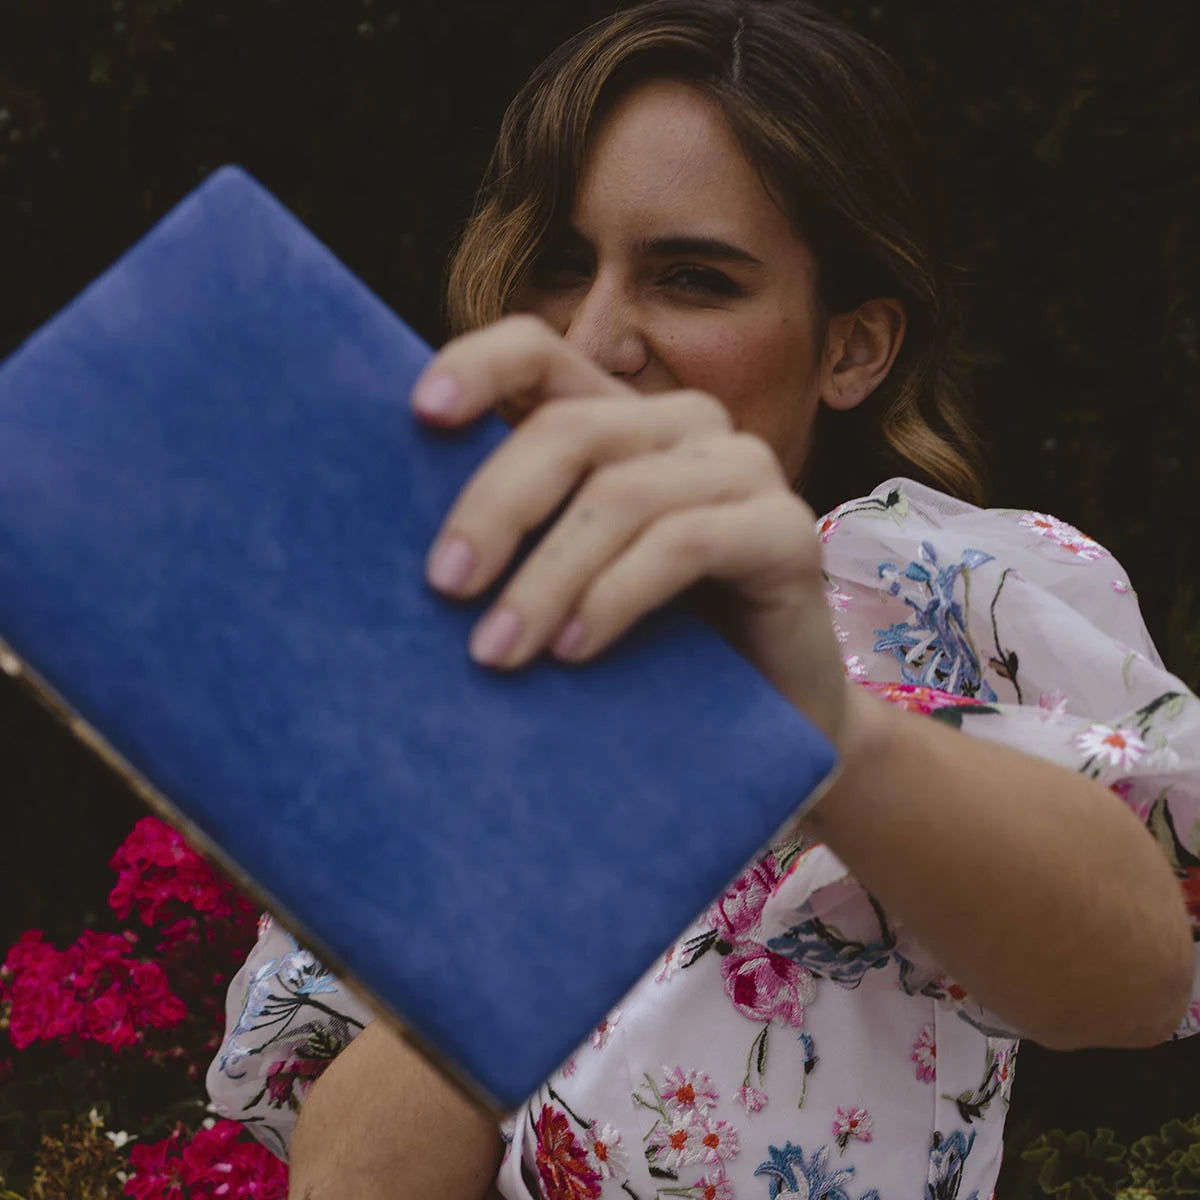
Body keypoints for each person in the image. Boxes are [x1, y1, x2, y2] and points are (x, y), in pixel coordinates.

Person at [207, 2, 1200, 1197]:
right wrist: (539, 832)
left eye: (692, 278)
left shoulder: (930, 586)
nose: (598, 334)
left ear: (853, 347)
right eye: (562, 265)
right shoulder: (440, 659)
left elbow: (1145, 971)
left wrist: (818, 730)